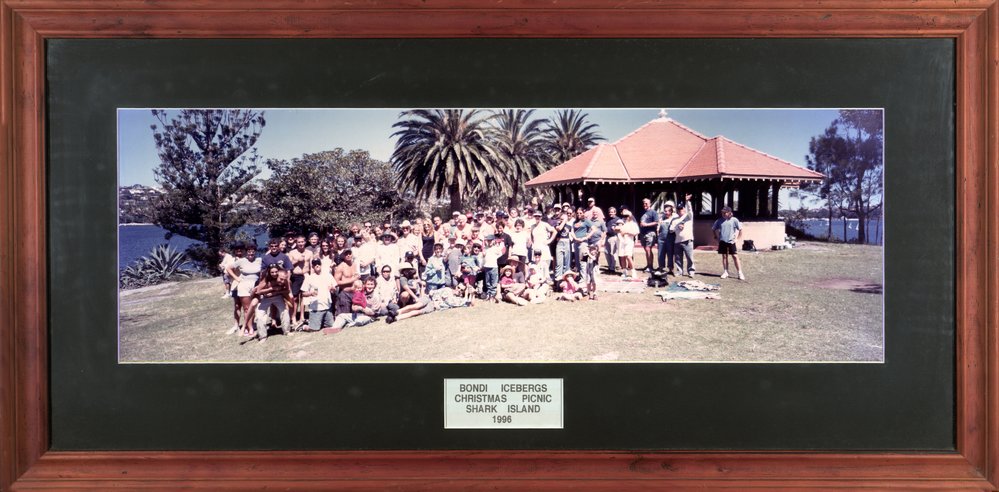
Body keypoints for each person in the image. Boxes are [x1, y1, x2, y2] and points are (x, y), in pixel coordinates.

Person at [225, 242, 260, 337]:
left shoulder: (259, 260)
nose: (251, 253)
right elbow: (228, 268)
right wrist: (237, 279)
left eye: (253, 251)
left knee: (254, 307)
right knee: (246, 308)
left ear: (255, 252)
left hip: (255, 286)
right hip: (243, 286)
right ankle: (249, 328)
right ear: (247, 252)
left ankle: (251, 324)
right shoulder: (241, 261)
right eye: (249, 251)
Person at [252, 263, 291, 342]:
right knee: (259, 315)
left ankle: (286, 331)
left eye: (276, 272)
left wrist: (276, 292)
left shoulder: (282, 277)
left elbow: (288, 290)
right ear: (269, 272)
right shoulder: (265, 279)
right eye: (272, 272)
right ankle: (262, 336)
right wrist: (270, 289)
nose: (274, 274)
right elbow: (258, 291)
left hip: (278, 297)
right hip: (266, 298)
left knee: (285, 311)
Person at [300, 259, 336, 332]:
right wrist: (310, 293)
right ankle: (303, 326)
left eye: (318, 263)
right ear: (312, 266)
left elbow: (334, 289)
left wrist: (332, 289)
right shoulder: (309, 278)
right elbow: (303, 293)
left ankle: (317, 322)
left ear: (321, 265)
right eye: (315, 264)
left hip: (327, 308)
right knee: (314, 329)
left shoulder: (328, 275)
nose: (317, 265)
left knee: (331, 326)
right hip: (316, 309)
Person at [712, 206, 745, 280]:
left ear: (729, 213)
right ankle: (725, 272)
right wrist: (716, 238)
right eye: (722, 212)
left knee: (735, 256)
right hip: (722, 242)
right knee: (724, 257)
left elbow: (740, 230)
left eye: (725, 212)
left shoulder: (734, 220)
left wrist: (737, 239)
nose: (723, 213)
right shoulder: (719, 221)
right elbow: (713, 229)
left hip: (731, 242)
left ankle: (740, 273)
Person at [287, 234, 313, 328]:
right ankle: (293, 316)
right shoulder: (292, 253)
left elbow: (311, 266)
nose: (301, 244)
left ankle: (302, 316)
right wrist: (297, 261)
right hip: (296, 276)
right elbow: (289, 266)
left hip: (306, 276)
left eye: (302, 242)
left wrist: (312, 277)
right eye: (299, 242)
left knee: (303, 297)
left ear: (305, 242)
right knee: (294, 298)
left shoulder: (309, 253)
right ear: (296, 243)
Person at [219, 242, 244, 333]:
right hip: (235, 286)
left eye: (241, 249)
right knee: (237, 306)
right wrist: (236, 278)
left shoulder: (247, 259)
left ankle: (249, 324)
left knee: (247, 306)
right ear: (234, 251)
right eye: (237, 249)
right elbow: (227, 272)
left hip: (246, 286)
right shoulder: (232, 260)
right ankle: (236, 326)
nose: (239, 250)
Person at [333, 249, 360, 316]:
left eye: (349, 254)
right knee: (344, 316)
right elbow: (336, 282)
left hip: (354, 293)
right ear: (343, 256)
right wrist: (352, 280)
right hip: (345, 294)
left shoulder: (354, 264)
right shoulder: (341, 267)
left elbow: (356, 277)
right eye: (346, 254)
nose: (348, 255)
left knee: (355, 316)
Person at [673, 200, 696, 277]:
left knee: (689, 257)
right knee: (678, 258)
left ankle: (691, 271)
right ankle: (679, 271)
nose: (680, 210)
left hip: (688, 240)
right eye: (678, 209)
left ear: (684, 209)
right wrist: (677, 227)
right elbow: (671, 229)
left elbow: (690, 209)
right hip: (677, 241)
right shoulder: (675, 220)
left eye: (681, 208)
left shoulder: (689, 216)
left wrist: (687, 201)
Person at [617, 209, 640, 278]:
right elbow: (618, 231)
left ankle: (633, 271)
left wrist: (627, 232)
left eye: (627, 216)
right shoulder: (622, 223)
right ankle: (624, 272)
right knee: (622, 257)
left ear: (630, 216)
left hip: (629, 241)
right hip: (621, 241)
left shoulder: (633, 224)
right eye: (624, 216)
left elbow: (636, 232)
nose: (626, 217)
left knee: (628, 256)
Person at [639, 198, 660, 273]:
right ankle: (648, 265)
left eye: (646, 203)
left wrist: (647, 224)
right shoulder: (642, 212)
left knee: (648, 249)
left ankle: (651, 267)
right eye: (644, 203)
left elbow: (657, 222)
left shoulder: (653, 212)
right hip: (643, 233)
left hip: (650, 233)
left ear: (650, 204)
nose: (644, 205)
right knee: (646, 249)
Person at [482, 235, 505, 302]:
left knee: (494, 282)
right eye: (488, 241)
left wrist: (500, 244)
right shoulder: (485, 248)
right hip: (487, 267)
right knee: (488, 282)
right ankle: (488, 295)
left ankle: (493, 296)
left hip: (493, 267)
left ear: (493, 241)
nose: (489, 242)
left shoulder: (496, 248)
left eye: (490, 241)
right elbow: (483, 258)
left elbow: (501, 252)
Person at [657, 202, 678, 274]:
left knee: (670, 253)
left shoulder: (674, 218)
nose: (666, 212)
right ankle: (661, 267)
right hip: (661, 239)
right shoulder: (661, 218)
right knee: (660, 253)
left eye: (668, 211)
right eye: (665, 211)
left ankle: (670, 268)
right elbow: (658, 228)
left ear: (671, 211)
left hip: (670, 239)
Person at [553, 211, 572, 281]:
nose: (562, 220)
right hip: (559, 242)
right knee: (559, 261)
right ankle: (558, 278)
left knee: (567, 261)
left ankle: (566, 276)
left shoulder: (569, 226)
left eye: (563, 219)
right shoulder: (557, 225)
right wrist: (564, 220)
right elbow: (559, 228)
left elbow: (572, 235)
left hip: (567, 242)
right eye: (561, 219)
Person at [603, 207, 622, 275]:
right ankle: (610, 266)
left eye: (612, 212)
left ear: (615, 212)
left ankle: (612, 268)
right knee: (606, 252)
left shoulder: (618, 220)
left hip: (614, 237)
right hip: (607, 237)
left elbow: (621, 229)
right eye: (609, 212)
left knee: (613, 253)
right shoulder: (608, 219)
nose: (610, 213)